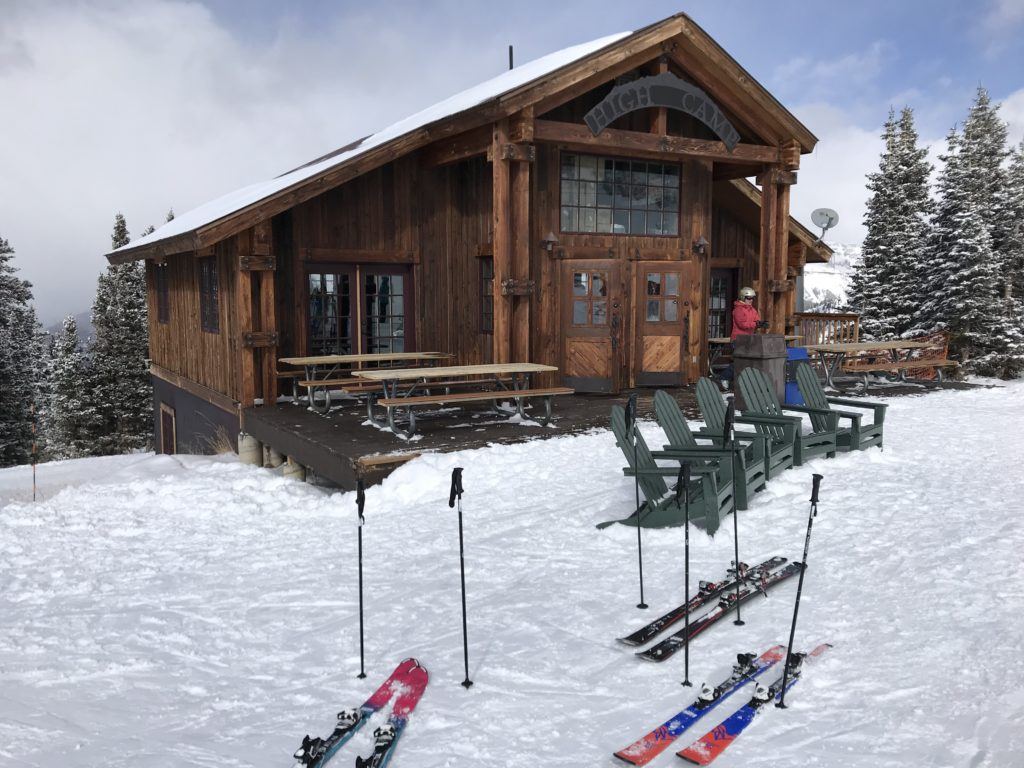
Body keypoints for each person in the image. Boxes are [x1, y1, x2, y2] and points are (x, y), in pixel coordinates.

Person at [720, 287, 761, 389]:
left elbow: (756, 321)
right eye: (748, 298)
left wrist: (760, 324)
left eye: (752, 298)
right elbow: (742, 324)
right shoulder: (738, 310)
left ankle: (743, 382)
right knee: (740, 361)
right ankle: (725, 376)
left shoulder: (752, 310)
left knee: (749, 361)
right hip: (738, 339)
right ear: (743, 298)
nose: (751, 300)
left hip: (748, 339)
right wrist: (756, 324)